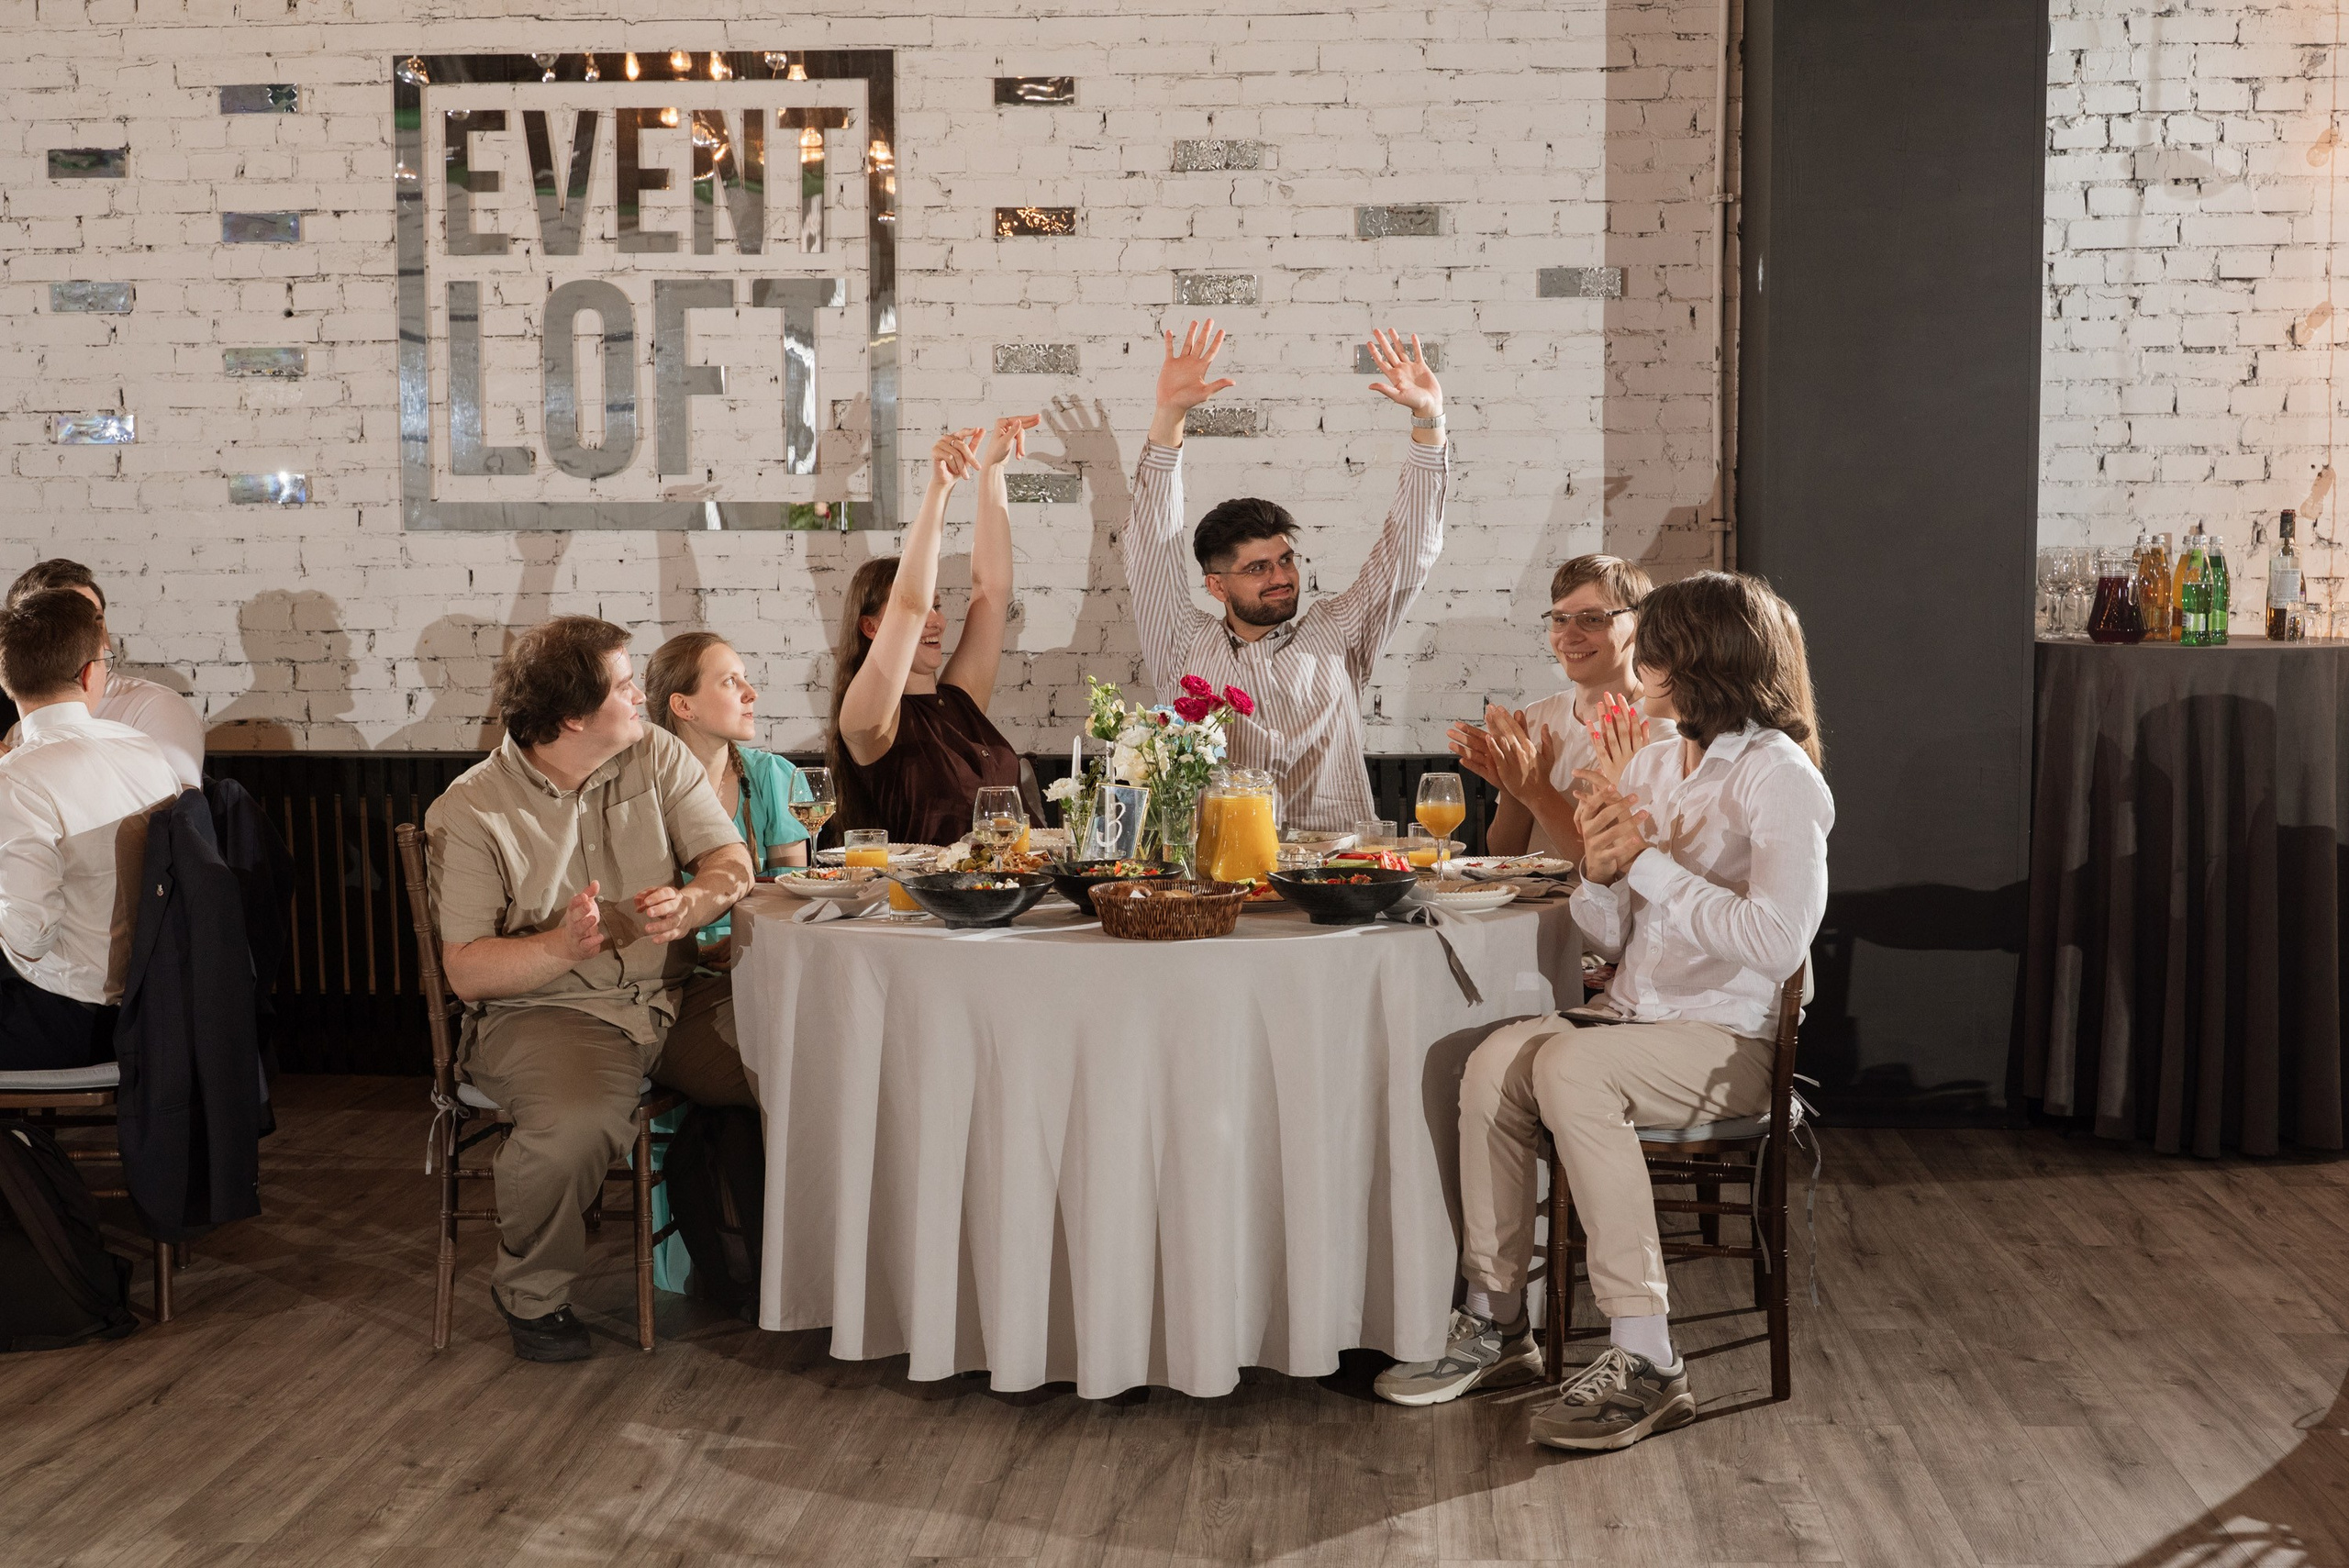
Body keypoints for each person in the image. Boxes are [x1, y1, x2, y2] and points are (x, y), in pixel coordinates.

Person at [1375, 572, 1831, 1454]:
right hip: (1636, 1018)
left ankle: (1647, 1357)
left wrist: (1649, 861)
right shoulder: (1656, 762)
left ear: (1704, 660)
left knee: (1567, 1066)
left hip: (1728, 1042)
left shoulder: (1781, 779)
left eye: (1655, 647)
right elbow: (1608, 930)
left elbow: (1777, 942)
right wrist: (1602, 863)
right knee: (1481, 1062)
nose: (1641, 664)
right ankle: (1497, 1320)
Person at [425, 616, 757, 1362]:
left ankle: (785, 1272)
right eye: (624, 684)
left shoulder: (659, 755)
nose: (642, 693)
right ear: (573, 715)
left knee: (802, 1062)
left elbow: (728, 859)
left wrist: (694, 905)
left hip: (674, 996)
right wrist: (563, 944)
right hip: (551, 1013)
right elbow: (468, 969)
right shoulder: (470, 809)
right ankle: (531, 1294)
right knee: (572, 1124)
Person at [1122, 320, 1448, 831]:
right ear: (1216, 585)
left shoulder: (1336, 629)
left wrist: (1430, 423)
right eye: (1257, 568)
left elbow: (1408, 553)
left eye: (1285, 560)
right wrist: (1169, 417)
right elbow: (1150, 551)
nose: (1280, 576)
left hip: (1338, 874)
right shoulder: (1181, 642)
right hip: (1222, 876)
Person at [831, 414, 1039, 846]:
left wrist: (993, 471)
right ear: (870, 627)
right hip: (929, 909)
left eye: (940, 607)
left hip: (1011, 891)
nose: (937, 620)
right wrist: (940, 488)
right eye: (927, 606)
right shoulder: (866, 720)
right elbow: (909, 606)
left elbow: (992, 590)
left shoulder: (960, 700)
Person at [0, 589, 183, 1071]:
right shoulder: (142, 749)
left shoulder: (16, 778)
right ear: (88, 674)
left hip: (64, 1020)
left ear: (7, 682)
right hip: (156, 1012)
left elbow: (28, 937)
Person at [1446, 555, 1676, 860]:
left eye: (1592, 619)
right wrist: (1515, 794)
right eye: (1559, 619)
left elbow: (1617, 867)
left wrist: (1536, 791)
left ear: (1637, 624)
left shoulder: (1660, 728)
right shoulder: (1537, 716)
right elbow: (1505, 855)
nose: (1569, 635)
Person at [643, 630, 810, 961]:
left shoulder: (772, 776)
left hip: (758, 953)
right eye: (730, 682)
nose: (752, 693)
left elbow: (792, 899)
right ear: (684, 706)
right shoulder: (641, 787)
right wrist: (701, 953)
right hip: (666, 964)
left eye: (744, 679)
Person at [3, 560, 205, 790]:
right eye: (71, 624)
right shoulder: (19, 731)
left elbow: (176, 812)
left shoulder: (156, 707)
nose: (92, 634)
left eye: (97, 620)